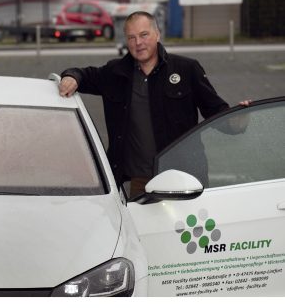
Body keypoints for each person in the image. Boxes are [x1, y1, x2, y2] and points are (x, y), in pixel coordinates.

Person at [58, 11, 250, 198]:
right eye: (132, 37)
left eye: (144, 35)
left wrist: (239, 117)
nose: (138, 43)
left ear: (157, 34)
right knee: (140, 221)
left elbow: (215, 110)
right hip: (141, 181)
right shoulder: (115, 72)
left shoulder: (187, 69)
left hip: (185, 178)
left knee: (192, 220)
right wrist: (71, 77)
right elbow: (83, 74)